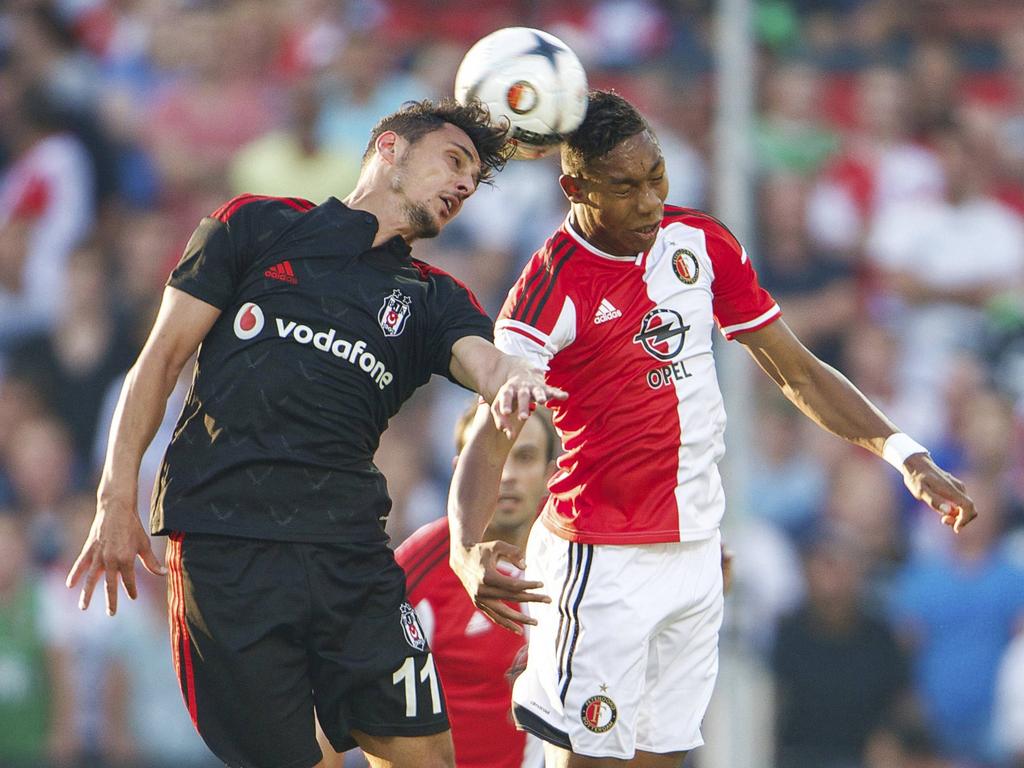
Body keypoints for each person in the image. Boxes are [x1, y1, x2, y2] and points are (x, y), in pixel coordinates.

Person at [448, 90, 976, 768]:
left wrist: (905, 455)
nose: (647, 201)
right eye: (624, 187)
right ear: (574, 187)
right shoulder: (547, 290)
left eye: (656, 177)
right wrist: (469, 547)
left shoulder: (699, 241)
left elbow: (799, 372)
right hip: (602, 560)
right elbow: (495, 430)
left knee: (661, 760)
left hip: (696, 553)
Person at [65, 97, 564, 768]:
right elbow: (158, 360)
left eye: (472, 182)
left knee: (427, 760)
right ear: (389, 148)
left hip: (349, 558)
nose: (463, 187)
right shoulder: (255, 226)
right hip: (228, 550)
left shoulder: (433, 298)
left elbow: (487, 361)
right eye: (453, 162)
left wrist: (511, 379)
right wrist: (114, 498)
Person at [397, 406, 557, 768]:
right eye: (490, 459)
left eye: (525, 457)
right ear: (460, 472)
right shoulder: (418, 570)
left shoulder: (580, 555)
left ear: (552, 473)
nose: (506, 475)